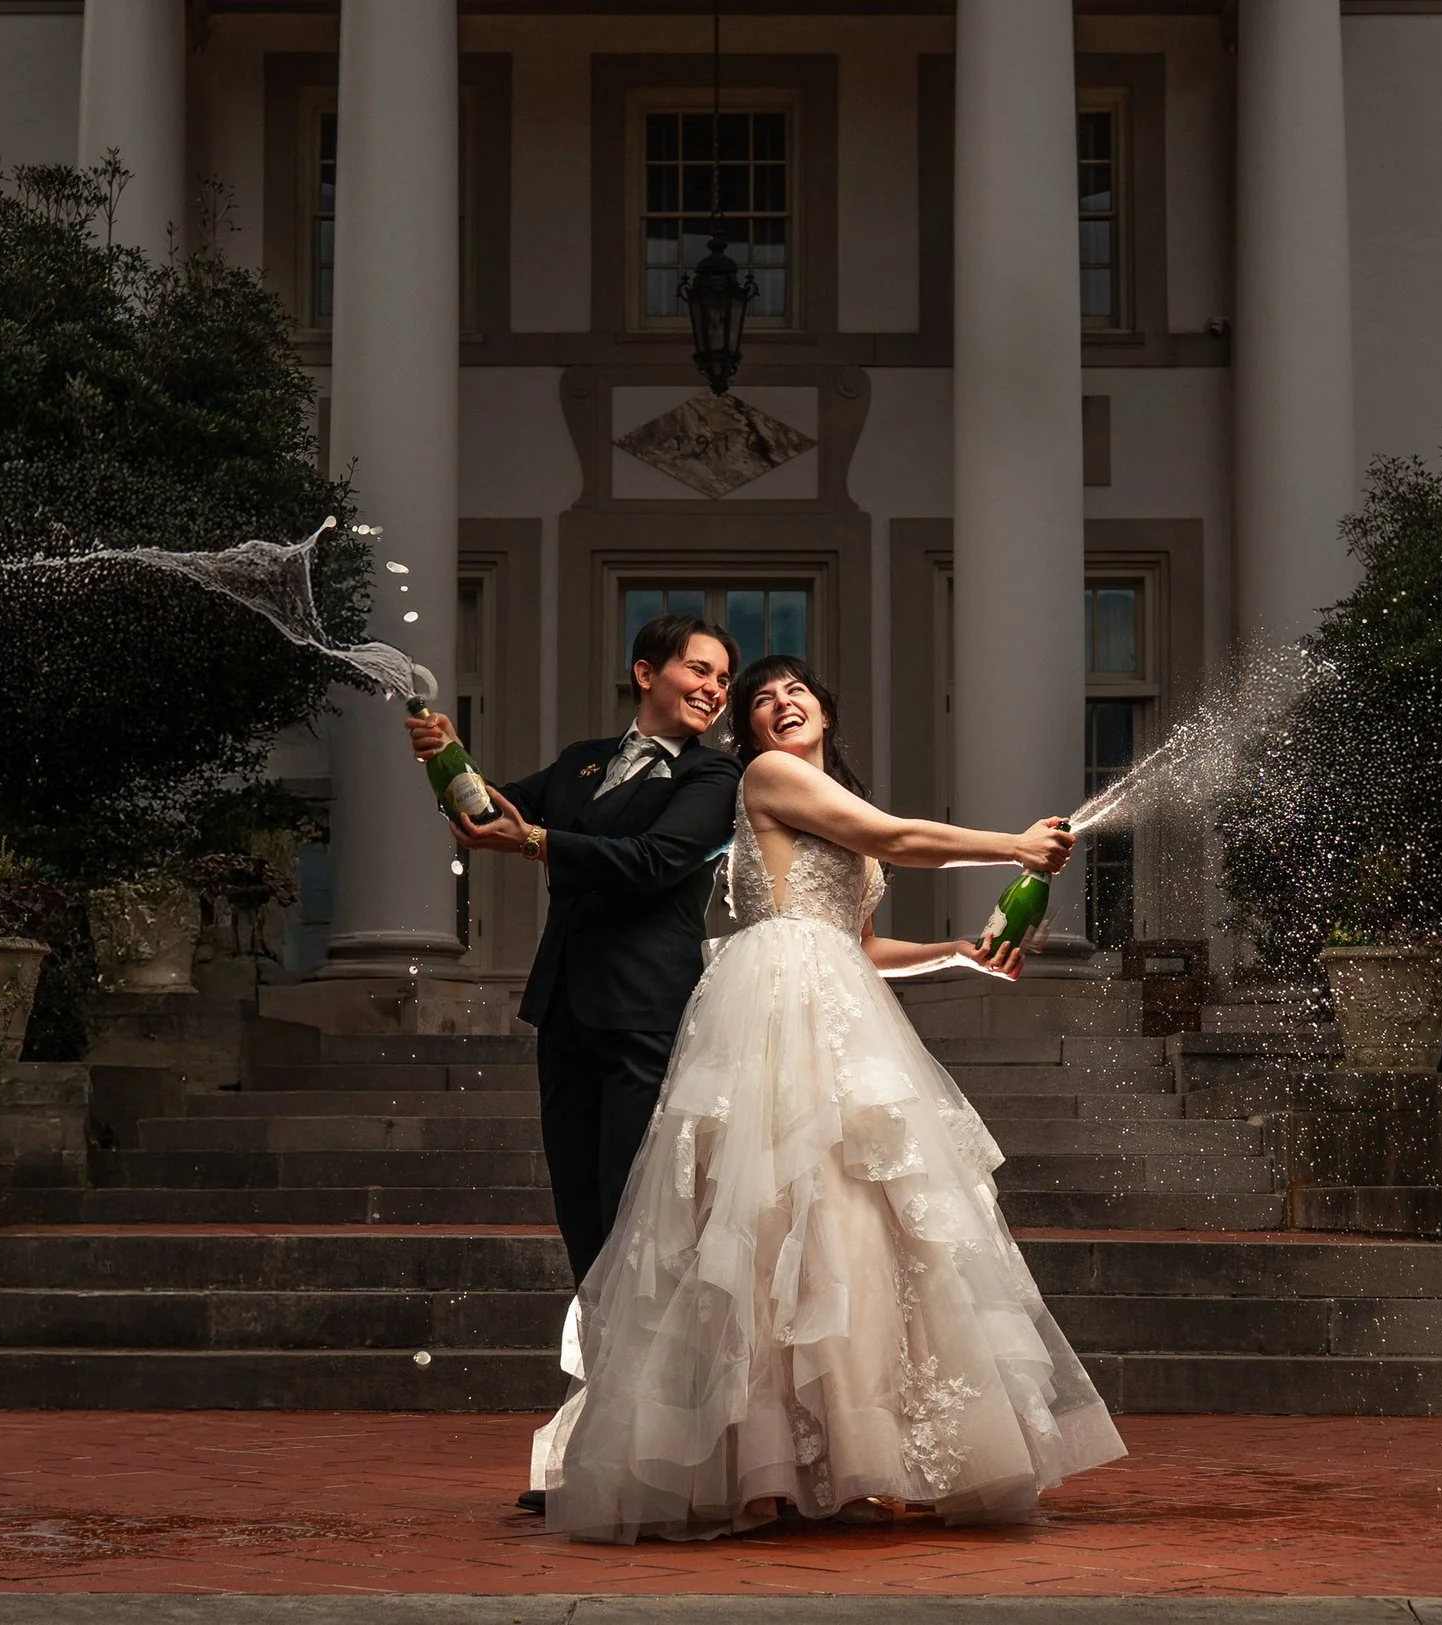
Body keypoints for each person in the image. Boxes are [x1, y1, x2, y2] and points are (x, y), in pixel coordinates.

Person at [531, 654, 1127, 1544]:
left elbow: (865, 940)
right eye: (761, 699)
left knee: (852, 1223)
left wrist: (957, 951)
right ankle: (760, 1469)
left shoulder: (830, 796)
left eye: (796, 690)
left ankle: (845, 1458)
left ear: (825, 708)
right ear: (748, 733)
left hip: (840, 995)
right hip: (776, 1002)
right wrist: (1010, 845)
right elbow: (895, 839)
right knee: (769, 1218)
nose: (780, 703)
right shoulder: (769, 778)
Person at [405, 611, 741, 1277]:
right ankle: (602, 1358)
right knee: (578, 1205)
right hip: (565, 1006)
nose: (715, 688)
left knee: (632, 1199)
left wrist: (534, 841)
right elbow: (485, 814)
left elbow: (652, 860)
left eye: (724, 679)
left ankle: (647, 1370)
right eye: (700, 669)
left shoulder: (716, 777)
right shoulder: (580, 761)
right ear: (646, 672)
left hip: (648, 1009)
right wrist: (445, 756)